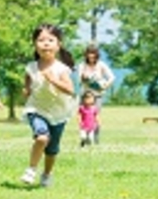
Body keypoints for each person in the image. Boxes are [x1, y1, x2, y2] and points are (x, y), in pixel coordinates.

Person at [20, 23, 76, 187]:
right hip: (36, 109)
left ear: (58, 45)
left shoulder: (62, 69)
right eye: (41, 40)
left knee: (52, 149)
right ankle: (31, 169)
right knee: (42, 137)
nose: (45, 43)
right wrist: (27, 90)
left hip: (58, 113)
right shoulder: (31, 67)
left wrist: (53, 80)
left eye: (50, 40)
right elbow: (28, 82)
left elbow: (70, 90)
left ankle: (47, 174)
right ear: (35, 45)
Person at [79, 44, 115, 143]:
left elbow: (112, 77)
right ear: (86, 55)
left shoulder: (101, 65)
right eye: (89, 54)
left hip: (97, 96)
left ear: (96, 55)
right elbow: (80, 79)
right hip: (85, 95)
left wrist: (105, 86)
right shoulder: (82, 65)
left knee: (95, 117)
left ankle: (95, 137)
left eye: (93, 54)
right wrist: (85, 77)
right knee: (83, 117)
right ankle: (84, 137)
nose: (91, 56)